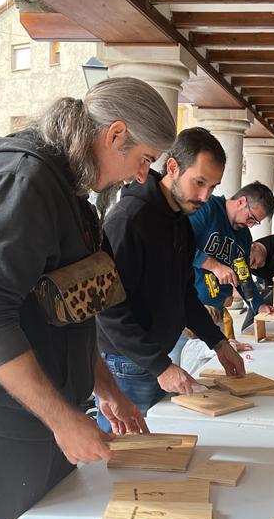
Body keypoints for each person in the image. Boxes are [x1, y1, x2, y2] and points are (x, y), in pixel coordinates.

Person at [0, 79, 177, 519]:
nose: (140, 175)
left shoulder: (68, 189)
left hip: (39, 419)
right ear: (115, 134)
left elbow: (66, 311)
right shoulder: (25, 180)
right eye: (144, 158)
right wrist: (64, 420)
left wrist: (106, 390)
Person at [95, 128, 246, 427]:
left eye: (212, 187)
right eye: (199, 182)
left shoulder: (181, 223)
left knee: (152, 448)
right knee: (126, 455)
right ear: (173, 167)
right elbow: (107, 310)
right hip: (127, 362)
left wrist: (218, 341)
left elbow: (184, 293)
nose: (205, 196)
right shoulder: (128, 220)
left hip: (153, 357)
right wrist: (160, 366)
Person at [190, 182, 274, 329]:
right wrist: (214, 266)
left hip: (215, 314)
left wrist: (258, 305)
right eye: (251, 218)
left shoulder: (244, 237)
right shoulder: (207, 208)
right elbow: (177, 244)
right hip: (185, 308)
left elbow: (243, 275)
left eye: (255, 222)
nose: (251, 225)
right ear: (241, 202)